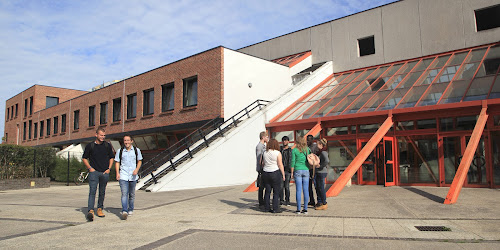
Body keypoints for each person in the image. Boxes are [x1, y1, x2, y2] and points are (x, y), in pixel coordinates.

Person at [82, 128, 115, 221]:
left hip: (104, 172)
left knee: (102, 192)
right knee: (92, 192)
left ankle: (99, 209)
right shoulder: (90, 146)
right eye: (101, 135)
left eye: (104, 135)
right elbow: (84, 158)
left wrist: (109, 169)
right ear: (96, 135)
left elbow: (112, 157)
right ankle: (91, 211)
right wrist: (90, 168)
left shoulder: (107, 145)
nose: (103, 137)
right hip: (94, 173)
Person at [115, 135, 143, 220]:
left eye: (128, 140)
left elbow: (139, 161)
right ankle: (124, 211)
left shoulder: (136, 150)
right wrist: (117, 173)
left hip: (133, 176)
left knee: (131, 194)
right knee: (124, 194)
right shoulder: (120, 151)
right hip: (123, 175)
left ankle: (130, 209)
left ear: (131, 141)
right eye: (125, 141)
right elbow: (117, 162)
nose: (126, 142)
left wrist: (136, 169)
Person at [262, 139, 286, 213]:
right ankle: (275, 208)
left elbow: (263, 163)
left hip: (266, 172)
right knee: (276, 191)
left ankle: (267, 208)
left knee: (267, 191)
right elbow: (280, 164)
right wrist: (283, 174)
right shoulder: (277, 153)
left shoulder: (265, 152)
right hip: (275, 172)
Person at [291, 136, 311, 214]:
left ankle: (298, 209)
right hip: (306, 170)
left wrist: (292, 172)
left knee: (298, 190)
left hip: (297, 170)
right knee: (306, 190)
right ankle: (305, 209)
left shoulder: (294, 150)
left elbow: (293, 161)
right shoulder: (307, 149)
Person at [315, 138, 330, 210]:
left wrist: (320, 166)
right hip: (318, 171)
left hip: (322, 171)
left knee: (321, 188)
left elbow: (327, 160)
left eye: (317, 143)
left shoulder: (323, 152)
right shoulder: (319, 152)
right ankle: (320, 202)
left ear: (321, 144)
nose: (316, 145)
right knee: (318, 187)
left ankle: (324, 203)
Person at [256, 131, 269, 209]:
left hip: (264, 168)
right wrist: (261, 167)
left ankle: (263, 201)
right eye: (266, 137)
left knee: (264, 185)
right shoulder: (259, 146)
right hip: (261, 169)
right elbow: (259, 158)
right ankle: (261, 202)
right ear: (263, 137)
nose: (267, 138)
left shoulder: (263, 146)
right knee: (261, 186)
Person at [280, 136, 292, 206]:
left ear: (288, 141)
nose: (284, 142)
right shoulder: (280, 150)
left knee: (286, 186)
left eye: (286, 140)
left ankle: (287, 200)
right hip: (281, 170)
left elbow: (291, 160)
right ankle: (281, 200)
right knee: (281, 186)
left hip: (287, 170)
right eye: (283, 140)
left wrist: (291, 170)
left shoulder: (290, 150)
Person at [306, 135, 318, 207]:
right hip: (309, 168)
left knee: (316, 185)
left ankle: (319, 201)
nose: (307, 141)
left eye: (309, 140)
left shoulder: (315, 147)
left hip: (315, 168)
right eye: (307, 140)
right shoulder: (306, 148)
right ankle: (312, 200)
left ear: (312, 140)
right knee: (309, 186)